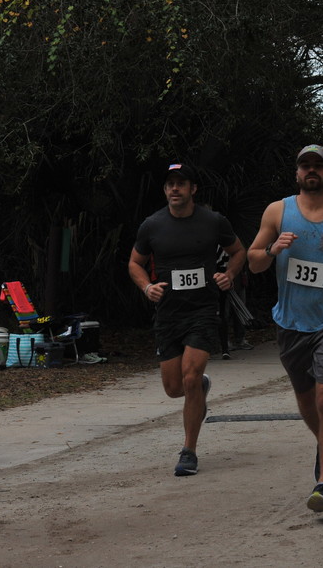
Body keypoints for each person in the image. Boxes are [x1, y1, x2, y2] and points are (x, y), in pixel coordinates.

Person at [248, 144, 323, 514]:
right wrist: (272, 250)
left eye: (319, 165)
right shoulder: (278, 211)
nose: (311, 170)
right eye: (305, 166)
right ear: (297, 173)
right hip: (291, 321)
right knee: (305, 399)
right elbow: (252, 261)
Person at [128, 163, 245, 476]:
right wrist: (147, 287)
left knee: (190, 377)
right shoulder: (152, 225)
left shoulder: (212, 221)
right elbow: (135, 263)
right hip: (168, 314)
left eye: (181, 183)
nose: (174, 189)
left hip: (203, 311)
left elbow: (238, 251)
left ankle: (188, 451)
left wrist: (229, 274)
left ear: (193, 188)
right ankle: (200, 389)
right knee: (173, 387)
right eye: (170, 184)